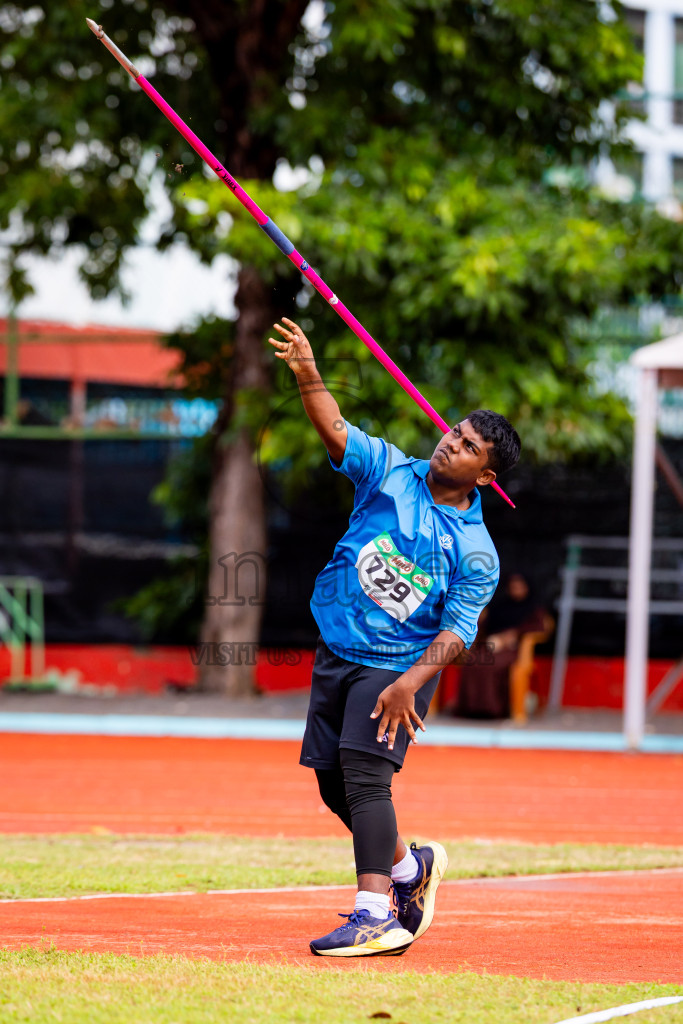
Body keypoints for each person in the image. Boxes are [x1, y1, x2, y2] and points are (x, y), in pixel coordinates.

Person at [268, 316, 521, 958]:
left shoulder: (476, 550)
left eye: (466, 449)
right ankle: (411, 866)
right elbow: (336, 430)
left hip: (399, 667)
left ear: (485, 477)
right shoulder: (389, 470)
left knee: (364, 775)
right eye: (454, 432)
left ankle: (375, 912)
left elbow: (459, 630)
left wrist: (411, 682)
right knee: (330, 782)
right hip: (339, 647)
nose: (450, 445)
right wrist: (308, 373)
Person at [454, 572, 549, 720]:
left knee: (494, 664)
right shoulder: (499, 605)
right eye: (513, 586)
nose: (516, 589)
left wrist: (514, 634)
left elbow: (540, 627)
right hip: (491, 645)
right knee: (473, 661)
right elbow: (485, 625)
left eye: (519, 586)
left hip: (514, 649)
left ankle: (494, 709)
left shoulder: (533, 608)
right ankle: (471, 709)